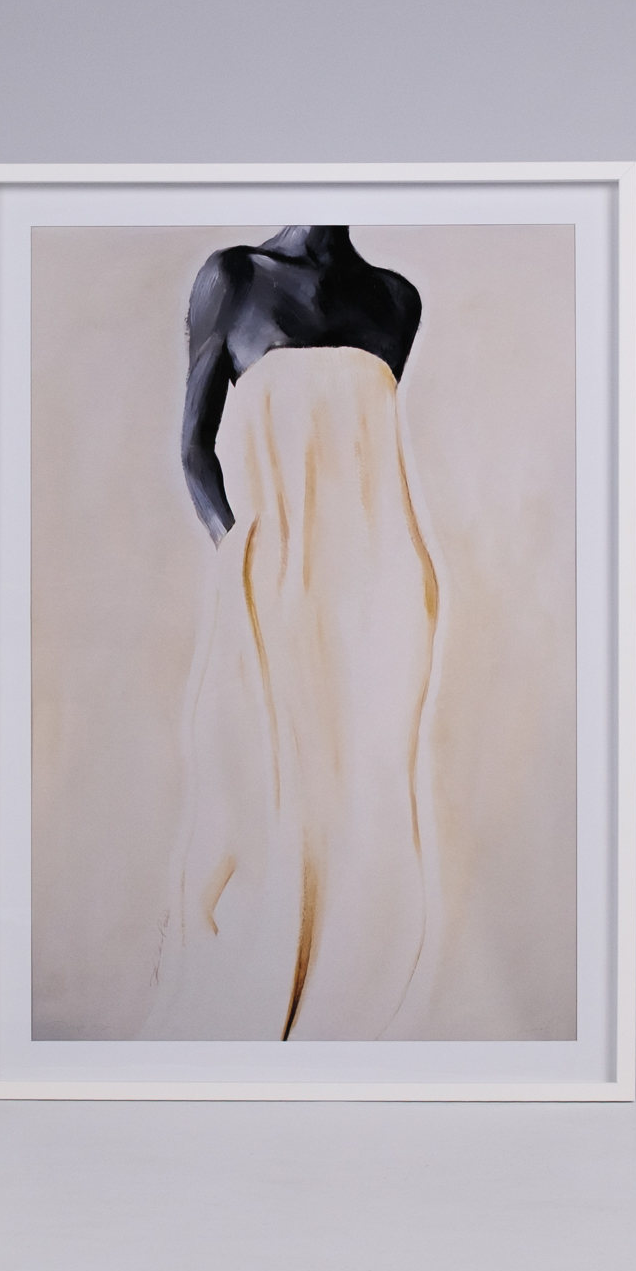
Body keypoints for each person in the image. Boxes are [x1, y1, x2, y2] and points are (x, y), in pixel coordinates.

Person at [146, 226, 440, 1041]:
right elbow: (194, 449)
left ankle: (343, 1023)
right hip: (272, 583)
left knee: (366, 802)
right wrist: (241, 560)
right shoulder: (234, 279)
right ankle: (256, 1016)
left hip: (383, 592)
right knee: (266, 800)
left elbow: (365, 460)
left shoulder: (397, 300)